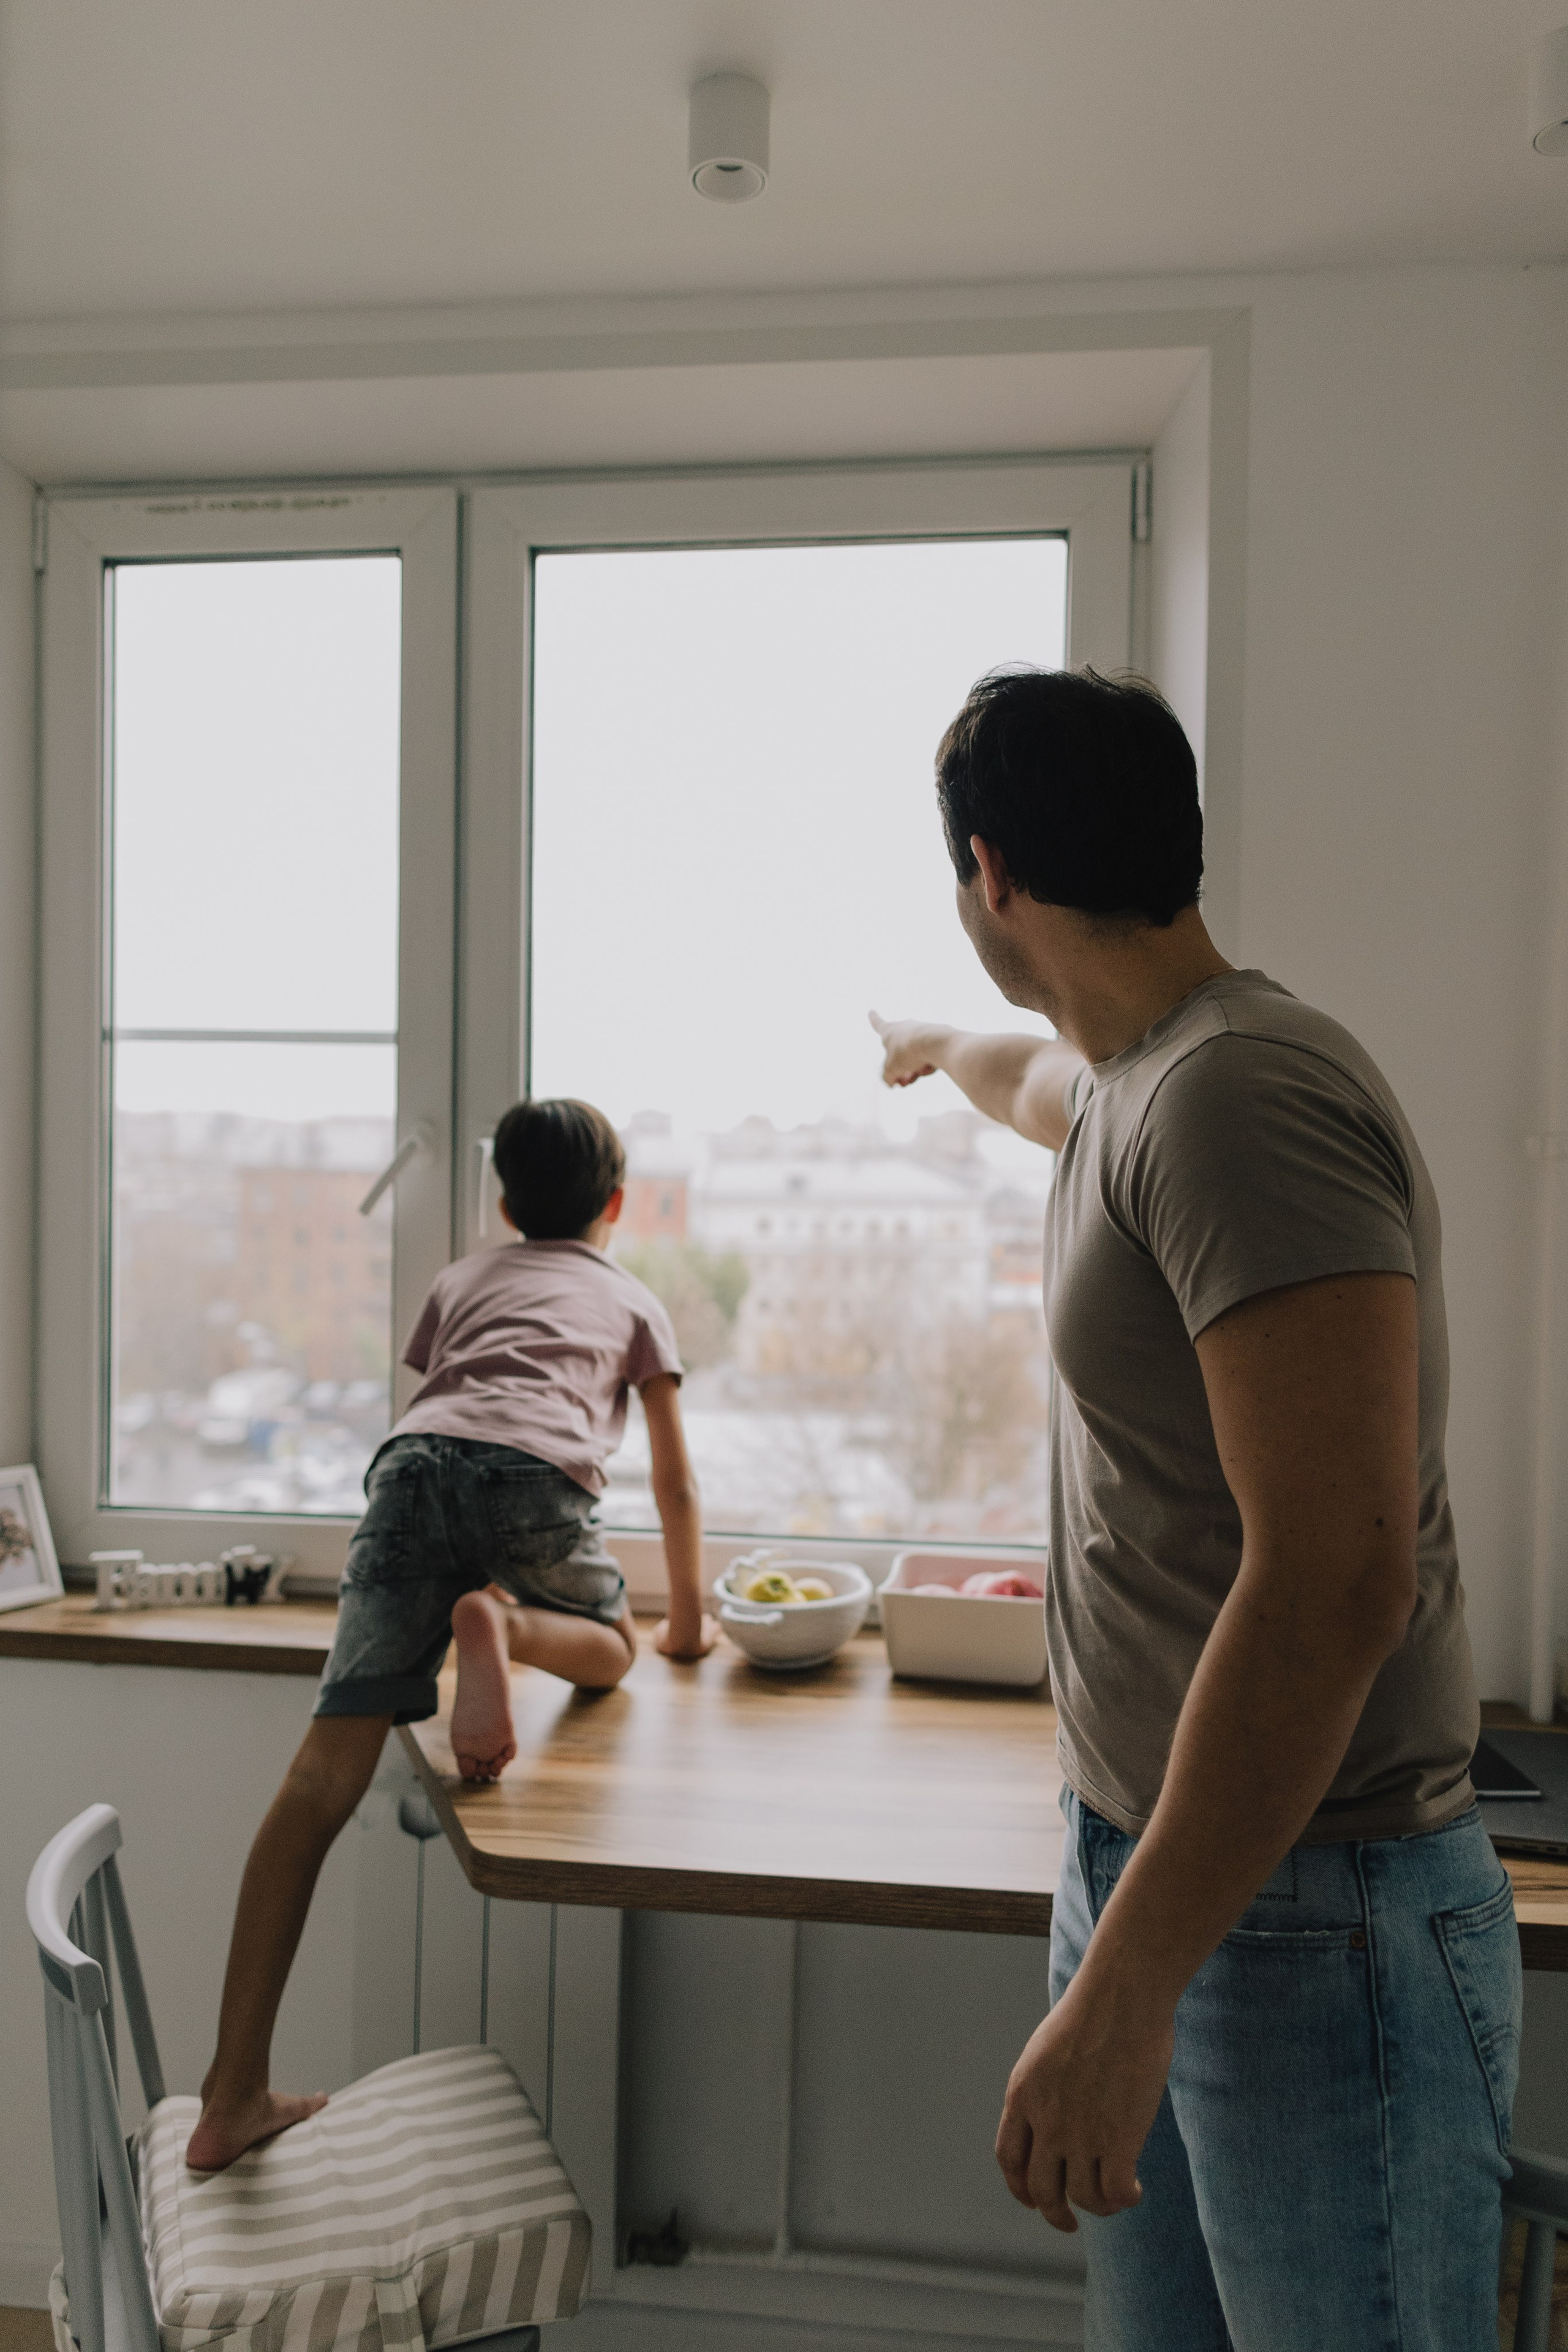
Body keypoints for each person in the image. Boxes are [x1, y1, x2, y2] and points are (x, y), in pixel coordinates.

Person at [871, 666, 1518, 2351]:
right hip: (1166, 1864)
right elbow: (1034, 1082)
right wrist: (937, 1045)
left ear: (990, 875)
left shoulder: (1241, 1098)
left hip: (1301, 1911)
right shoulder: (1134, 1082)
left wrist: (1128, 1986)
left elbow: (1338, 1581)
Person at [186, 1096, 715, 2172]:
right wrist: (693, 1623)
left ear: (506, 1204)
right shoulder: (630, 1298)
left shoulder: (461, 1281)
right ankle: (509, 1625)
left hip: (408, 1470)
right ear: (615, 1206)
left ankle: (228, 2092)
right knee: (613, 1649)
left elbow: (447, 1410)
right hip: (535, 1486)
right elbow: (671, 1476)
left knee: (317, 1783)